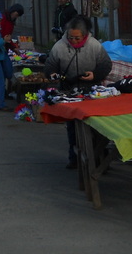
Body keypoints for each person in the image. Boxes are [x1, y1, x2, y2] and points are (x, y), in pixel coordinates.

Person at [43, 15, 112, 169]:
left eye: (77, 37)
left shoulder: (94, 45)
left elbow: (106, 65)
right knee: (73, 127)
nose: (73, 40)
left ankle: (100, 160)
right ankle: (74, 157)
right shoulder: (59, 46)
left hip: (92, 90)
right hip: (68, 91)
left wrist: (95, 75)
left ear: (85, 34)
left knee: (95, 127)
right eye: (70, 37)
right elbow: (50, 65)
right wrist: (52, 74)